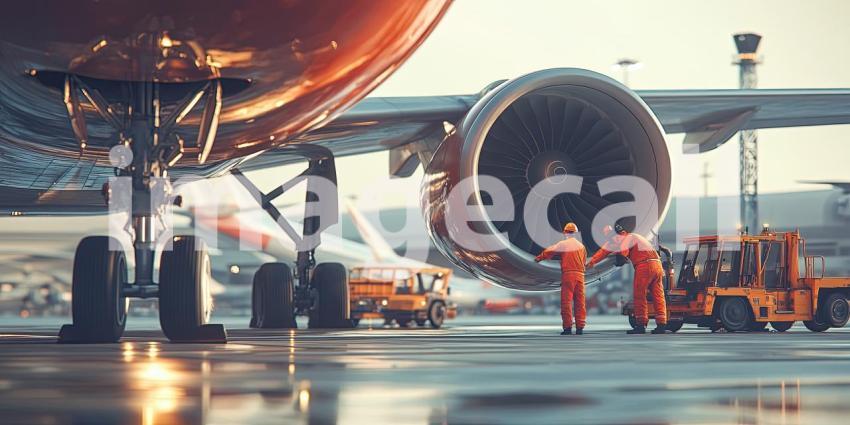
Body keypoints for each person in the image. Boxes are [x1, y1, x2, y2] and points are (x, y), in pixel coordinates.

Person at [587, 223, 668, 334]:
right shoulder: (634, 237)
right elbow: (604, 250)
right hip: (657, 265)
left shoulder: (625, 239)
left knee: (639, 295)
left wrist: (619, 258)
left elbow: (622, 253)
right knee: (658, 295)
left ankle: (641, 324)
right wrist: (592, 262)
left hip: (645, 266)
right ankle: (661, 324)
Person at [535, 222, 587, 335]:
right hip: (581, 276)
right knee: (580, 302)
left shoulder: (564, 244)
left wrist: (539, 258)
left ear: (565, 233)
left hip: (569, 275)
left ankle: (568, 328)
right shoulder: (581, 246)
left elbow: (550, 251)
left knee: (567, 302)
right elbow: (584, 261)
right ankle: (580, 328)